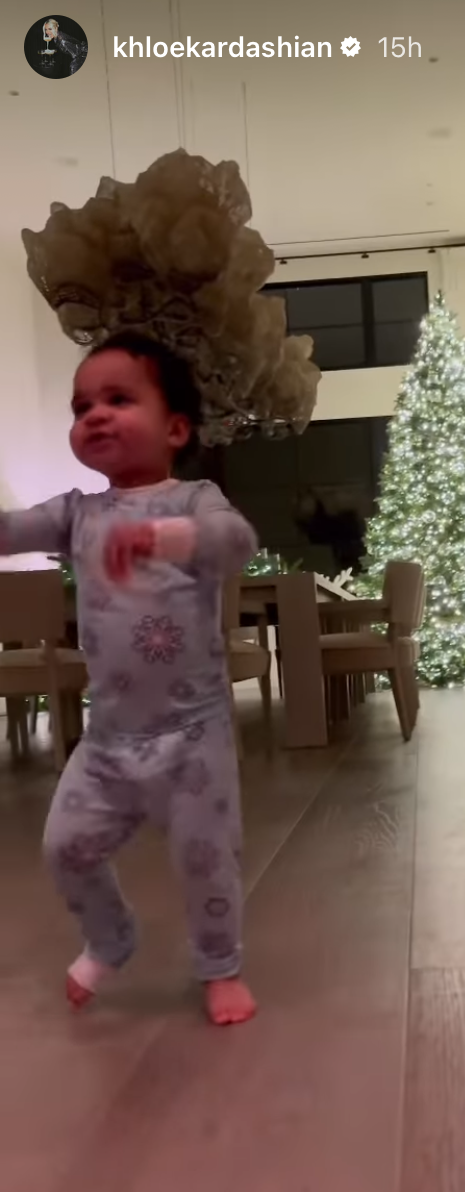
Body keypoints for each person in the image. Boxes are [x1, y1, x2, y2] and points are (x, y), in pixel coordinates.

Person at [0, 331, 258, 1025]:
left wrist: (166, 538)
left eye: (118, 398)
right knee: (64, 847)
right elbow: (9, 530)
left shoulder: (196, 498)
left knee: (207, 859)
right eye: (82, 405)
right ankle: (111, 937)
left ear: (176, 427)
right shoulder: (76, 514)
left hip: (192, 730)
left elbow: (239, 543)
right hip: (109, 737)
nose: (95, 414)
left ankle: (220, 966)